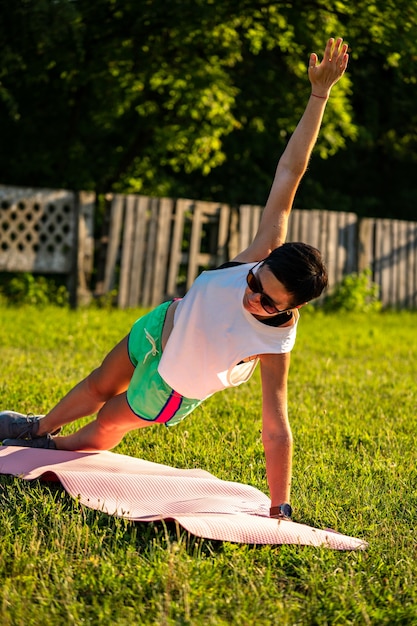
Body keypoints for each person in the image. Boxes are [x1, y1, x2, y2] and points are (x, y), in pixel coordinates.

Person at [0, 37, 349, 520]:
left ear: (294, 308)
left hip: (170, 387)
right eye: (254, 284)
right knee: (99, 382)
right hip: (157, 327)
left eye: (268, 303)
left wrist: (279, 504)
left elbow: (275, 423)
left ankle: (55, 447)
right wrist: (318, 97)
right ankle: (36, 429)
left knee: (105, 424)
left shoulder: (276, 343)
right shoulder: (261, 252)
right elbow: (289, 172)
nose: (253, 299)